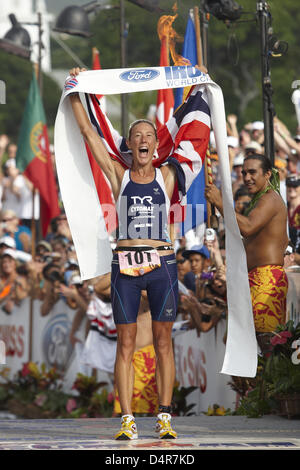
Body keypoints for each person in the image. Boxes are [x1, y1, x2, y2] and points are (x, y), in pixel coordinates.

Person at [68, 67, 180, 440]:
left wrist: (198, 84)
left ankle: (165, 416)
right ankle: (128, 420)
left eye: (150, 135)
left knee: (164, 342)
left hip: (161, 264)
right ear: (129, 145)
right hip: (126, 267)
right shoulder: (120, 174)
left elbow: (196, 137)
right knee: (126, 343)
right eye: (137, 136)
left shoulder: (167, 177)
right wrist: (73, 91)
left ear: (156, 145)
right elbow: (88, 133)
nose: (144, 140)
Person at [205, 153, 289, 335]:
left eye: (252, 172)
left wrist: (220, 203)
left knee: (266, 341)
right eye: (244, 173)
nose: (247, 178)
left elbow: (248, 227)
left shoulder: (270, 199)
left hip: (267, 279)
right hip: (254, 278)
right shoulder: (259, 201)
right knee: (253, 345)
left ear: (267, 174)